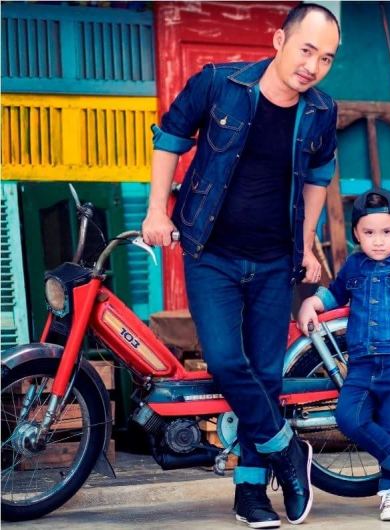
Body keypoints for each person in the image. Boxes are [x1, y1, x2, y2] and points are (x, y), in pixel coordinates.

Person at [142, 4, 340, 528]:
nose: (313, 66)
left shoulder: (321, 110)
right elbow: (170, 139)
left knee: (266, 375)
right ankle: (285, 449)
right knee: (228, 362)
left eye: (326, 58)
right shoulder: (218, 84)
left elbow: (318, 176)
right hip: (212, 253)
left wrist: (306, 244)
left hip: (275, 260)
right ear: (279, 40)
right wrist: (157, 209)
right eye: (306, 50)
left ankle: (251, 493)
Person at [297, 188, 390, 522]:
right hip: (360, 364)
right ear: (356, 234)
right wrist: (311, 302)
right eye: (369, 232)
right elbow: (335, 294)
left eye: (386, 231)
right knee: (349, 418)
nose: (378, 240)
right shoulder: (354, 266)